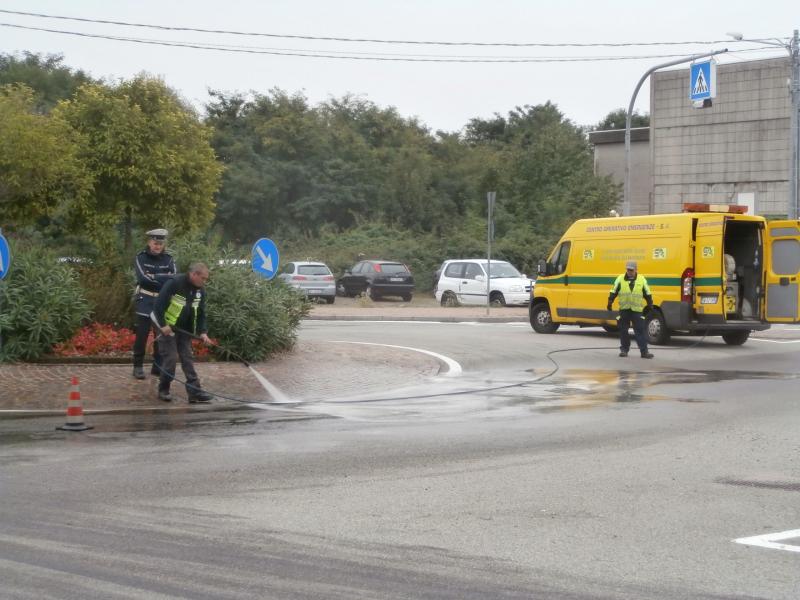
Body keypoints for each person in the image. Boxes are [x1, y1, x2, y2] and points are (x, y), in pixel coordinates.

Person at [151, 262, 214, 403]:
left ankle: (194, 392)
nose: (204, 282)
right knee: (171, 358)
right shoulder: (174, 283)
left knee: (187, 358)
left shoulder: (200, 290)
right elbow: (158, 305)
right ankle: (164, 389)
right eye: (203, 278)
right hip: (167, 327)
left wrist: (203, 332)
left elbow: (201, 313)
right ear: (194, 274)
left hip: (184, 330)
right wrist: (163, 325)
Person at [132, 228, 176, 379]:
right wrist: (163, 278)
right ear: (149, 242)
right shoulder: (141, 257)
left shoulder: (169, 259)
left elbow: (173, 279)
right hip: (145, 300)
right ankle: (137, 366)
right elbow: (143, 279)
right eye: (155, 243)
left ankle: (157, 366)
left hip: (161, 302)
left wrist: (154, 276)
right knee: (142, 335)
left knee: (160, 335)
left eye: (160, 244)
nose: (158, 246)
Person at [607, 260, 654, 359]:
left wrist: (650, 304)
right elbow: (614, 291)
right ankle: (624, 350)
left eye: (631, 270)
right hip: (624, 309)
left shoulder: (642, 279)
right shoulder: (620, 279)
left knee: (640, 331)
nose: (629, 272)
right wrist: (610, 302)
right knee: (623, 331)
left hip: (637, 310)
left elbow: (647, 292)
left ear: (636, 270)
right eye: (628, 270)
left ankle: (644, 352)